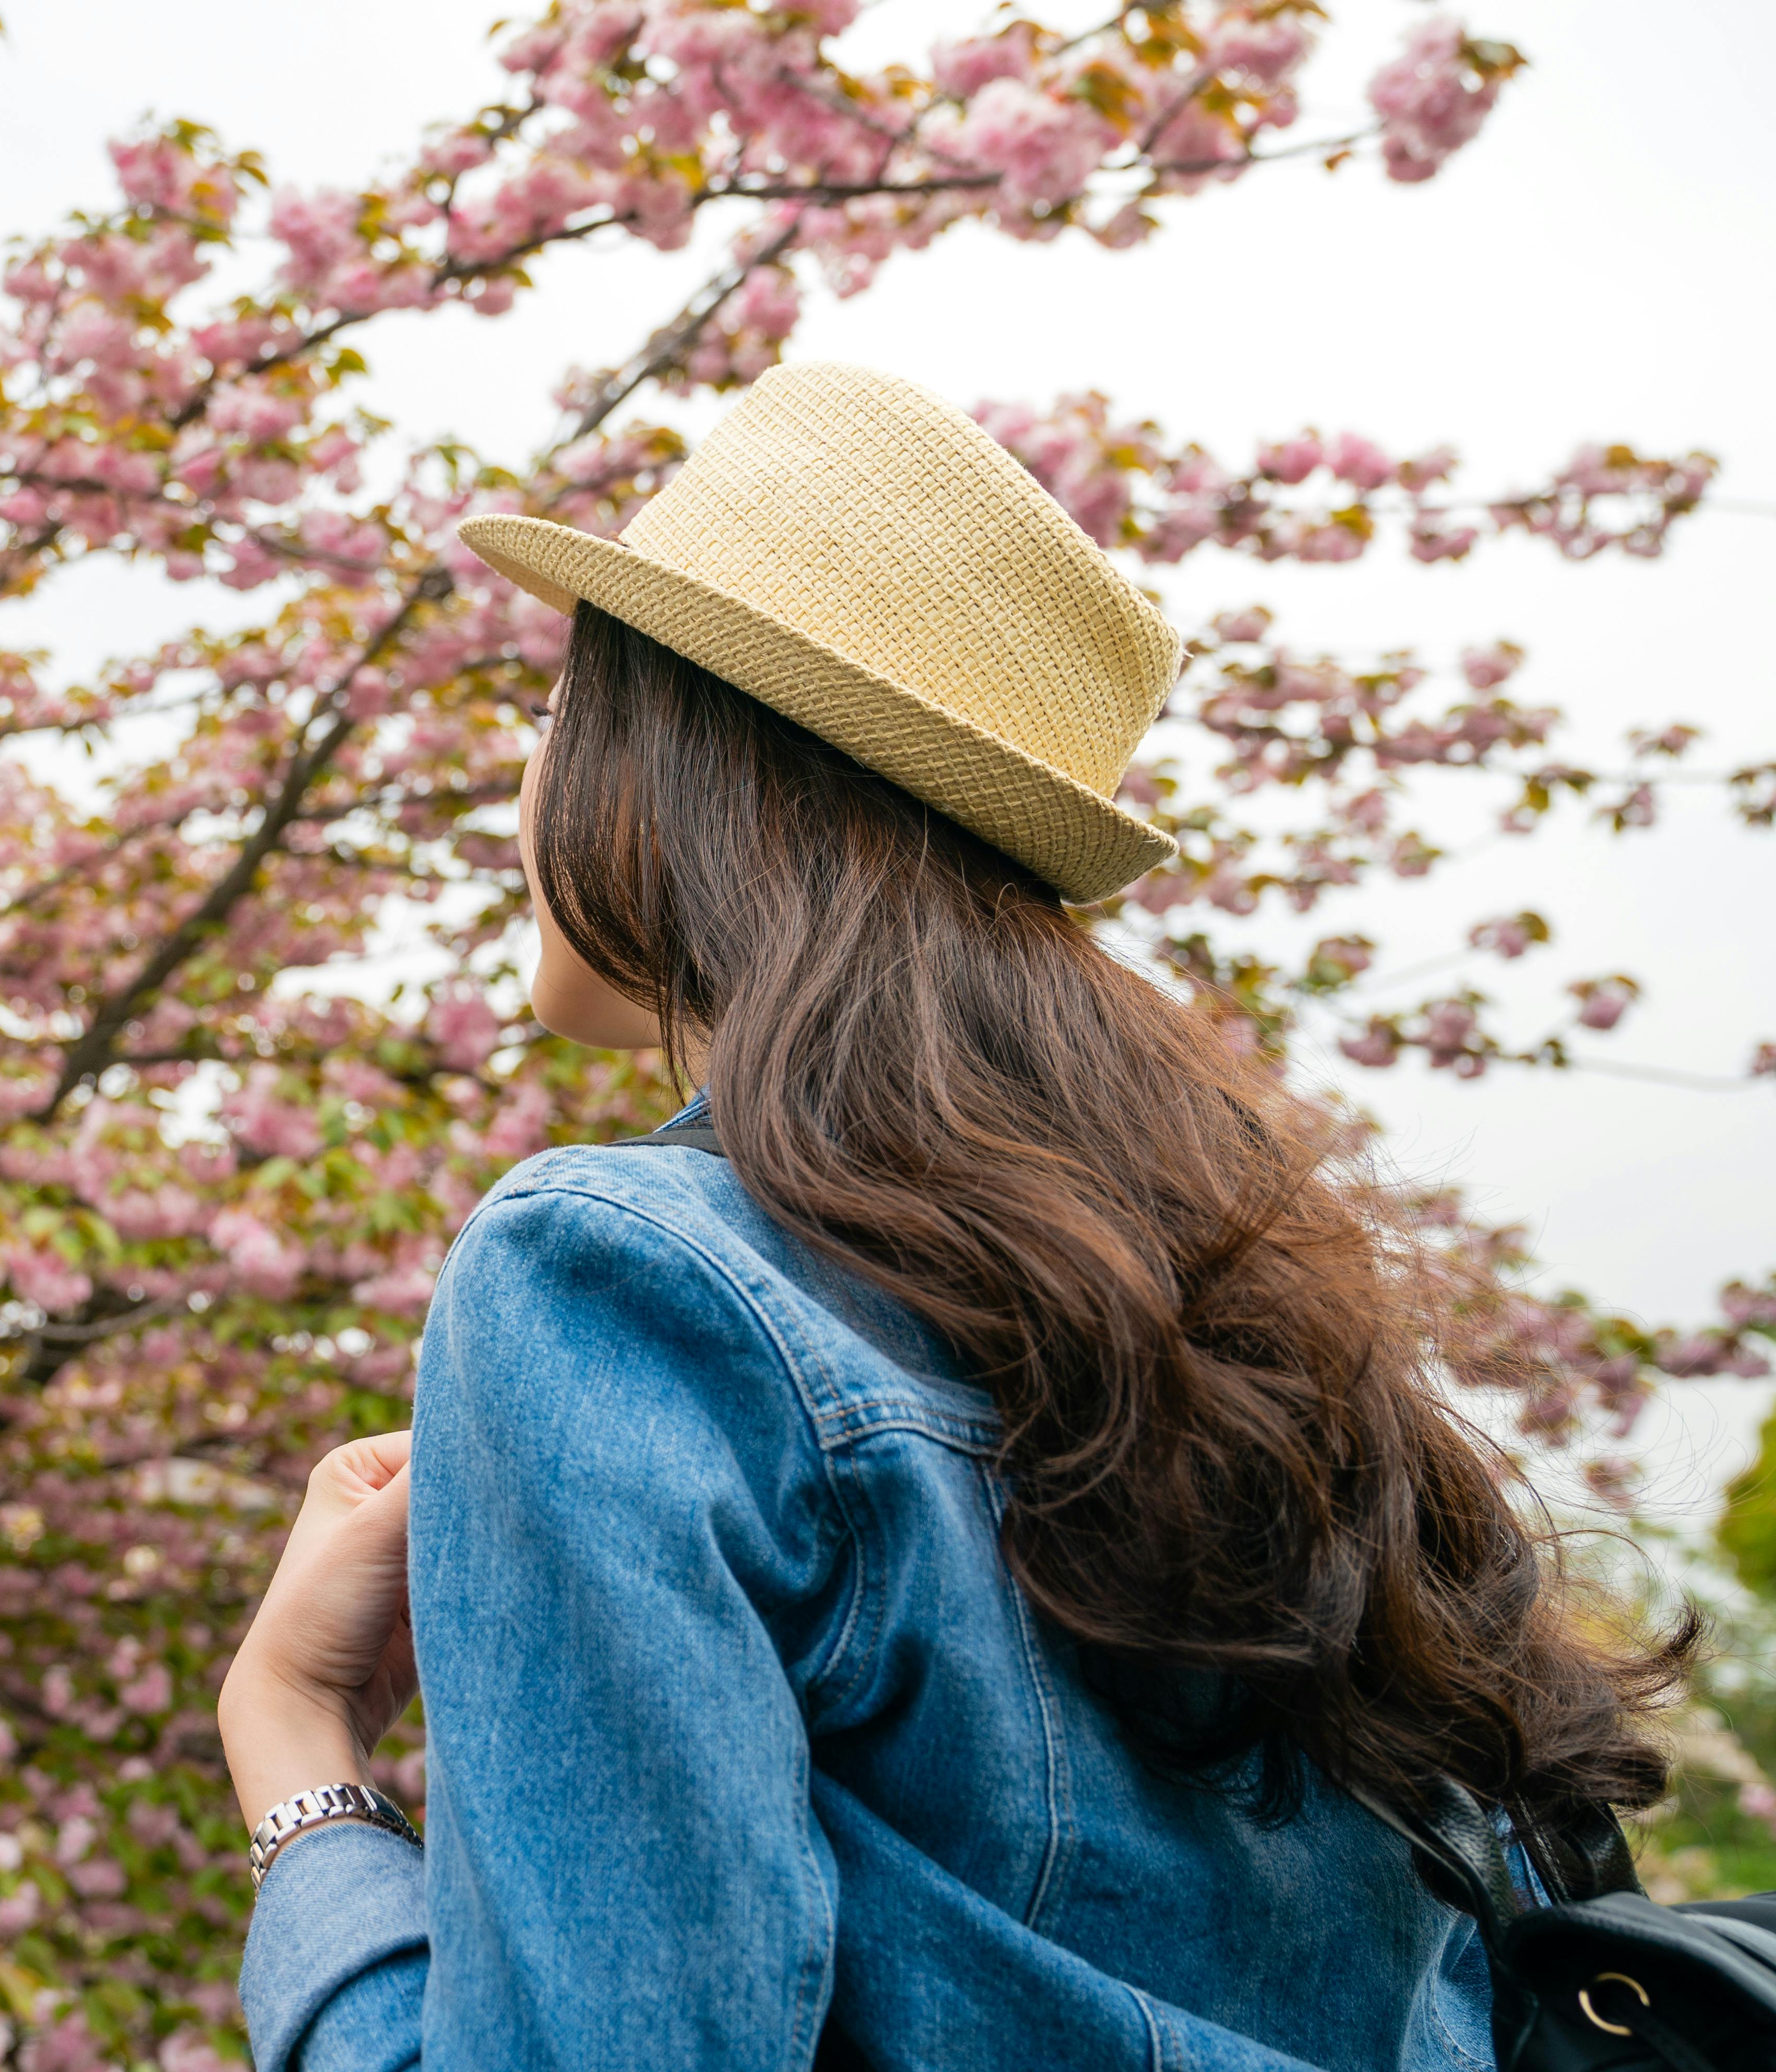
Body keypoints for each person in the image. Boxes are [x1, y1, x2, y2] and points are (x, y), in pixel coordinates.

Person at [216, 364, 1690, 2071]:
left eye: (556, 718)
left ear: (667, 763)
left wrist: (300, 1752)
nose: (521, 794)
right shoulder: (1274, 1350)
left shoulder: (608, 1276)